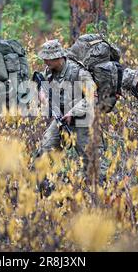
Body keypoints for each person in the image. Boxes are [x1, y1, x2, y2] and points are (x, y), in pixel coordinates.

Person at [36, 39, 97, 177]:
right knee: (45, 148)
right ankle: (39, 185)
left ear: (59, 57)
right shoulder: (49, 71)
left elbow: (92, 97)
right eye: (45, 58)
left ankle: (97, 191)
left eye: (49, 59)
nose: (46, 61)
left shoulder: (79, 72)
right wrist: (42, 94)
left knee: (89, 159)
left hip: (81, 119)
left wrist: (73, 112)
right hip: (60, 118)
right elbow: (42, 85)